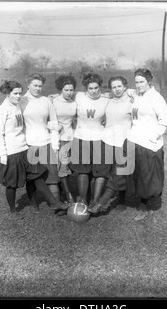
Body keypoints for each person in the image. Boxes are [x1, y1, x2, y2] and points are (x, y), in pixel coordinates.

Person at [0, 80, 67, 216]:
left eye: (20, 93)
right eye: (15, 93)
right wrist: (3, 154)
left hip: (24, 148)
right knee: (12, 183)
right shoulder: (1, 111)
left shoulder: (17, 106)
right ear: (7, 93)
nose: (18, 96)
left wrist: (55, 97)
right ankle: (13, 209)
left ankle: (51, 203)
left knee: (36, 176)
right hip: (11, 152)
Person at [20, 73, 69, 213]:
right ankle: (33, 202)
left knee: (52, 176)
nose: (37, 88)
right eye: (35, 85)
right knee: (32, 177)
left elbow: (53, 123)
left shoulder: (46, 101)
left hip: (46, 142)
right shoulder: (21, 101)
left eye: (40, 86)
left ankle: (57, 205)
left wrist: (54, 146)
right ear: (28, 85)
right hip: (28, 144)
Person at [126, 68, 167, 221]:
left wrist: (153, 137)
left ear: (149, 81)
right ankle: (143, 204)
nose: (138, 85)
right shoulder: (136, 94)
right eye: (136, 82)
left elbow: (165, 120)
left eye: (141, 82)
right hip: (136, 141)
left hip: (150, 144)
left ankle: (147, 207)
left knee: (148, 177)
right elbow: (124, 92)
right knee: (137, 175)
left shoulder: (156, 97)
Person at [88, 75, 133, 214]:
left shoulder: (132, 100)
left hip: (124, 141)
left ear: (125, 86)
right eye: (114, 87)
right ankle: (94, 201)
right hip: (107, 139)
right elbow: (93, 95)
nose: (117, 89)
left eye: (119, 86)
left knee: (119, 173)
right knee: (101, 171)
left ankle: (114, 202)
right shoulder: (108, 100)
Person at [69, 72, 111, 209]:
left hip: (100, 138)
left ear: (100, 87)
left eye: (96, 88)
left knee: (100, 171)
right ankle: (83, 200)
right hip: (81, 138)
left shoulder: (106, 100)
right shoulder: (79, 97)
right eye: (90, 88)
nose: (93, 91)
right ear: (86, 88)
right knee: (83, 171)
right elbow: (64, 96)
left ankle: (95, 201)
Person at [52, 74, 78, 204]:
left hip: (71, 137)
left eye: (71, 90)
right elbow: (46, 120)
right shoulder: (53, 101)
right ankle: (68, 196)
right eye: (66, 90)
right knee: (62, 166)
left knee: (69, 166)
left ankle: (65, 192)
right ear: (60, 90)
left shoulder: (75, 102)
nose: (69, 93)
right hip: (58, 138)